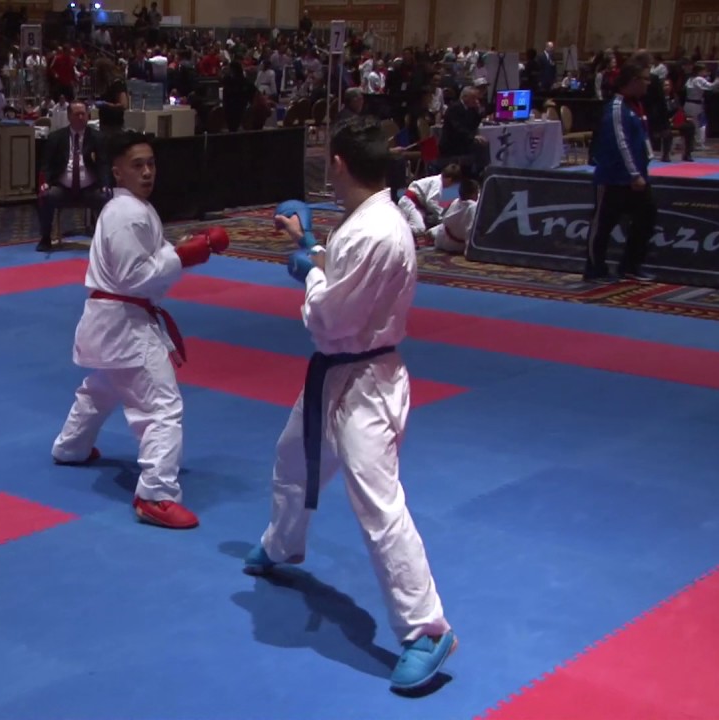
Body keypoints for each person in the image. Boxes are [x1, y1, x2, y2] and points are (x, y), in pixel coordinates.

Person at [245, 123, 456, 692]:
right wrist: (310, 246)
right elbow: (347, 279)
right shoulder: (367, 221)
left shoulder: (378, 232)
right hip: (341, 375)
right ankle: (282, 543)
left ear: (337, 163)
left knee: (377, 503)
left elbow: (331, 316)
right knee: (293, 458)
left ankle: (426, 630)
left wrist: (309, 272)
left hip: (365, 380)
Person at [51, 131, 227, 530]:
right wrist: (184, 255)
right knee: (162, 408)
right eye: (137, 165)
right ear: (117, 172)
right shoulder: (128, 213)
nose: (147, 172)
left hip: (110, 320)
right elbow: (136, 277)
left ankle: (71, 446)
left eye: (151, 164)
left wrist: (181, 252)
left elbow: (145, 268)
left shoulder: (128, 208)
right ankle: (155, 496)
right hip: (125, 324)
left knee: (103, 387)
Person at [584, 61, 657, 283]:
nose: (648, 83)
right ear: (633, 81)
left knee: (647, 217)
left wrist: (646, 164)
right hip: (614, 177)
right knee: (603, 225)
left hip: (637, 177)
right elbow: (621, 142)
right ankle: (595, 269)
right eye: (645, 79)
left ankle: (630, 265)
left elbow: (641, 140)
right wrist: (633, 173)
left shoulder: (635, 106)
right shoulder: (616, 108)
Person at [36, 101, 110, 251]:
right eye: (77, 114)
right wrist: (45, 183)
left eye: (84, 114)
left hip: (90, 188)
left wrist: (105, 184)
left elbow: (103, 164)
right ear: (69, 117)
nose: (82, 117)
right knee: (45, 196)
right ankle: (45, 238)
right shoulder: (56, 137)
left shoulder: (97, 137)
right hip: (63, 188)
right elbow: (46, 165)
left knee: (106, 198)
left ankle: (104, 241)